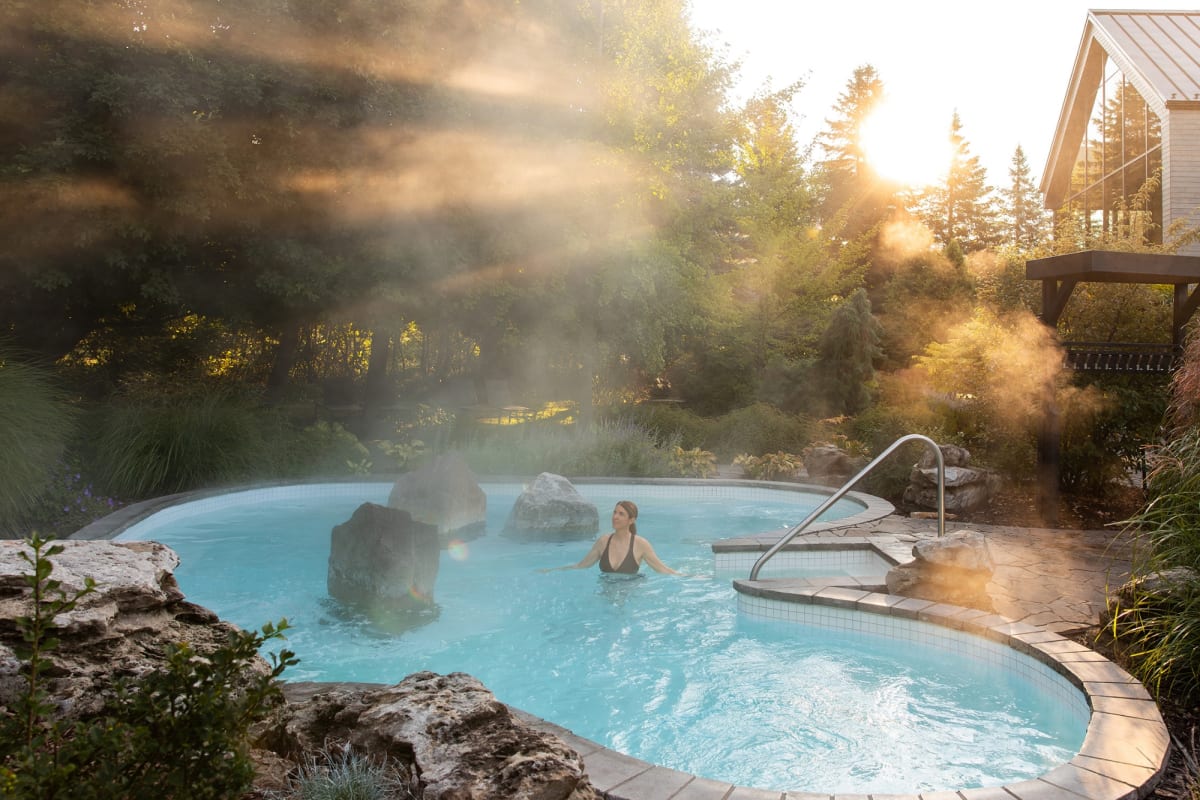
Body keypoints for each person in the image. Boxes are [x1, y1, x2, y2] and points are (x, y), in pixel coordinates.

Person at [540, 500, 679, 575]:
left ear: (631, 520)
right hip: (605, 596)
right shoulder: (603, 542)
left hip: (630, 597)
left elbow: (662, 569)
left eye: (621, 514)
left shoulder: (640, 544)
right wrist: (551, 571)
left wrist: (686, 577)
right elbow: (581, 566)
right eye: (614, 512)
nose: (615, 517)